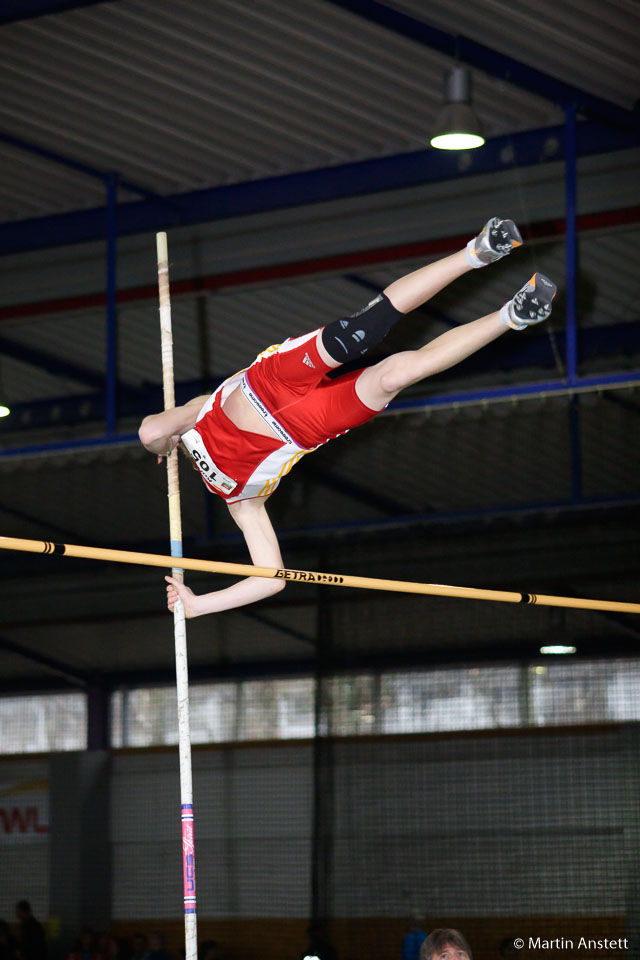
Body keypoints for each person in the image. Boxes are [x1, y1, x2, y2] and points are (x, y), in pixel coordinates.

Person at [138, 217, 556, 617]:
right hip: (309, 425)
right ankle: (513, 316)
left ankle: (478, 252)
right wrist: (197, 605)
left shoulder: (195, 418)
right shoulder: (242, 504)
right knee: (399, 373)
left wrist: (168, 444)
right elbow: (270, 580)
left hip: (268, 382)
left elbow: (152, 430)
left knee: (361, 331)